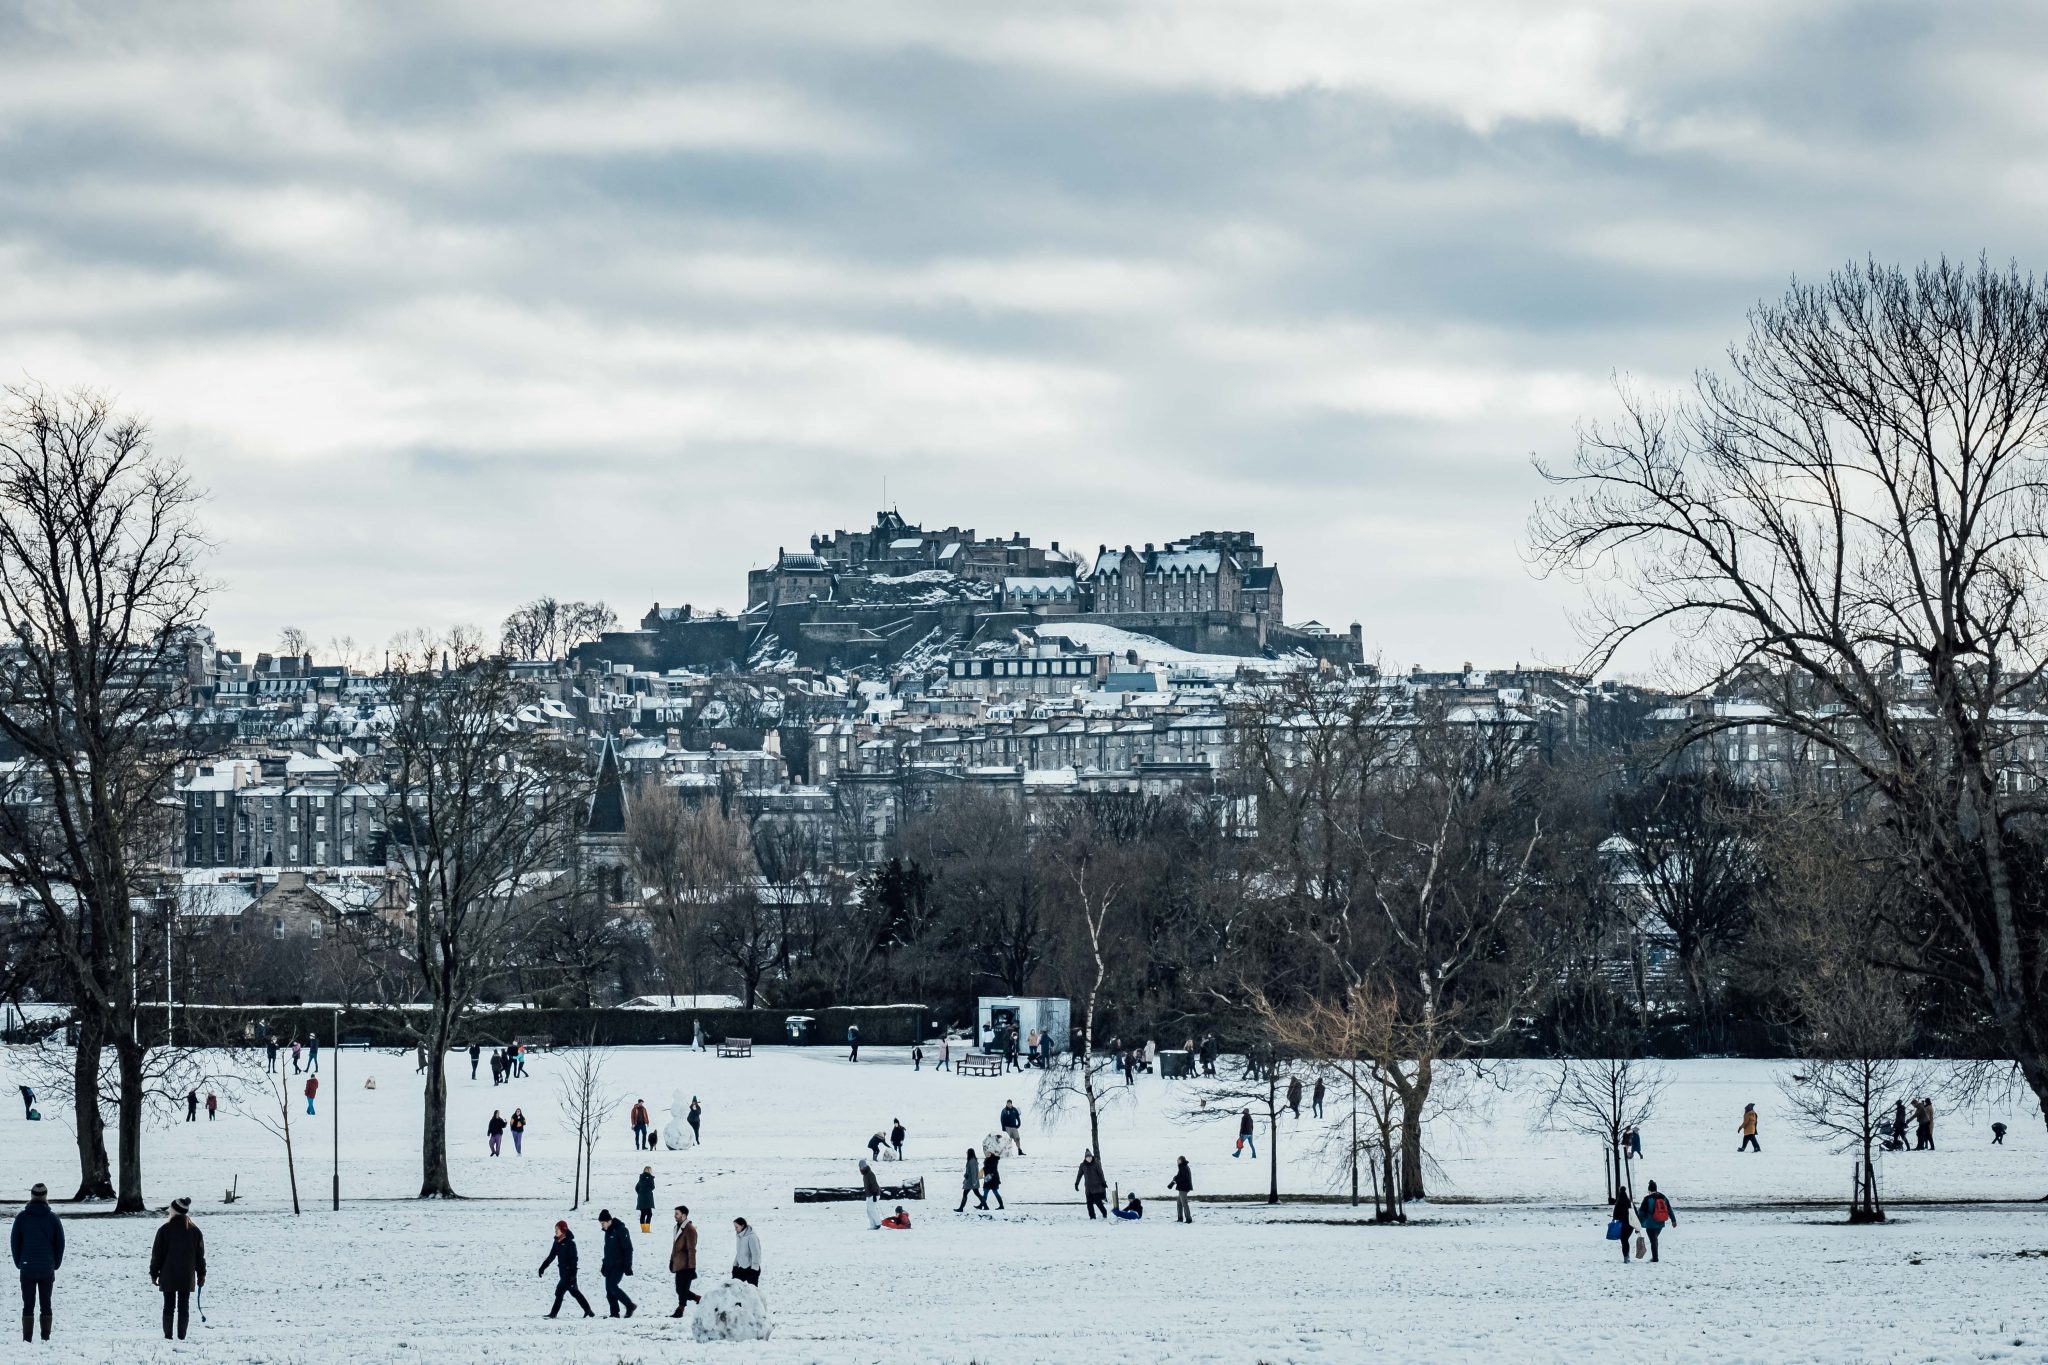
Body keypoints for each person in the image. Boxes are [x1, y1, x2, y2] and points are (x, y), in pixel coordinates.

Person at [10, 1181, 62, 1343]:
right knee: (46, 1303)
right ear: (46, 1196)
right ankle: (45, 1336)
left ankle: (27, 1338)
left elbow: (15, 1242)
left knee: (28, 1304)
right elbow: (60, 1243)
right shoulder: (53, 1218)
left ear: (31, 1196)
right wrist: (56, 1263)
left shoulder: (22, 1218)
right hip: (47, 1267)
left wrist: (19, 1262)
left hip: (27, 1267)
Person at [149, 1197, 205, 1341]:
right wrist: (201, 1274)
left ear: (173, 1211)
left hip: (168, 1275)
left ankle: (168, 1337)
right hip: (187, 1276)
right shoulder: (195, 1232)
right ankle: (182, 1337)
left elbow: (157, 1255)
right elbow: (200, 1256)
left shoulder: (164, 1230)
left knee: (168, 1306)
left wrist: (154, 1273)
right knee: (183, 1307)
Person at [538, 1221, 595, 1318]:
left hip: (569, 1274)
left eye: (557, 1229)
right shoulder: (557, 1243)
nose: (555, 1231)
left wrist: (573, 1274)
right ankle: (588, 1310)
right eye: (555, 1229)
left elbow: (574, 1260)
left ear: (563, 1230)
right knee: (575, 1292)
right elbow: (551, 1256)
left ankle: (553, 1313)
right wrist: (542, 1267)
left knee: (559, 1292)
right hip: (563, 1273)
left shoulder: (570, 1243)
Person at [596, 1210, 635, 1317]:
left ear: (609, 1221)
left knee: (613, 1286)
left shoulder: (621, 1230)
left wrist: (628, 1265)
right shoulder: (608, 1232)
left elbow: (628, 1249)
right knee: (609, 1291)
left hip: (619, 1265)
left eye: (603, 1223)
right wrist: (604, 1264)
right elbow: (607, 1250)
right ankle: (614, 1313)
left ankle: (630, 1305)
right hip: (609, 1265)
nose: (602, 1226)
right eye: (601, 1223)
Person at [668, 1206, 701, 1318]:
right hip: (678, 1265)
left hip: (687, 1265)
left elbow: (692, 1249)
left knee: (683, 1290)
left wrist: (692, 1267)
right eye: (675, 1213)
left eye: (677, 1214)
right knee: (679, 1290)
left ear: (684, 1215)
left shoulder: (690, 1229)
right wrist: (671, 1260)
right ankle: (699, 1299)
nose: (675, 1216)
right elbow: (675, 1247)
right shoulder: (676, 1228)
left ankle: (680, 1310)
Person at [1637, 1181, 1676, 1263]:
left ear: (1649, 1190)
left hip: (1650, 1223)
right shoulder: (1663, 1197)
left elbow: (1641, 1213)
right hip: (1660, 1222)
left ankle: (1655, 1258)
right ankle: (1655, 1257)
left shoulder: (1647, 1199)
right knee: (1654, 1238)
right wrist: (1673, 1220)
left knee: (1653, 1240)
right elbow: (1669, 1209)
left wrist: (1638, 1225)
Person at [1075, 1150, 1108, 1219]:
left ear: (1092, 1157)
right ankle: (1092, 1217)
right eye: (1087, 1157)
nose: (1089, 1158)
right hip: (1088, 1188)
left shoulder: (1096, 1164)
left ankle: (1104, 1212)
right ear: (1085, 1158)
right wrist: (1076, 1183)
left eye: (1090, 1157)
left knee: (1098, 1202)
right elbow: (1079, 1175)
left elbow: (1101, 1174)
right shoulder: (1082, 1165)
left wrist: (1103, 1182)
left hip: (1096, 1187)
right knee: (1089, 1204)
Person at [1610, 1186, 1637, 1263]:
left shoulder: (1618, 1203)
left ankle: (1626, 1256)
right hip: (1630, 1225)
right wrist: (1637, 1227)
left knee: (1624, 1240)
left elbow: (1615, 1215)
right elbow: (1636, 1214)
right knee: (1626, 1240)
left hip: (1621, 1225)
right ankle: (1627, 1256)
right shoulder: (1630, 1203)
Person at [731, 1218, 761, 1285]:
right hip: (742, 1268)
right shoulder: (739, 1236)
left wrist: (754, 1270)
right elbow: (739, 1252)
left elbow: (756, 1254)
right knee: (734, 1287)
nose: (735, 1229)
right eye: (734, 1227)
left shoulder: (751, 1237)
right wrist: (735, 1265)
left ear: (742, 1226)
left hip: (752, 1269)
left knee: (752, 1292)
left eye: (736, 1227)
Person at [956, 1148, 983, 1212]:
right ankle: (985, 1205)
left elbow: (973, 1172)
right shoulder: (972, 1160)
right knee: (977, 1193)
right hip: (971, 1181)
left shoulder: (972, 1161)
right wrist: (966, 1175)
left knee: (965, 1193)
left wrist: (974, 1182)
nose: (966, 1153)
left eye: (967, 1152)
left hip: (971, 1182)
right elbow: (969, 1171)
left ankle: (961, 1208)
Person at [1171, 1157, 1194, 1223]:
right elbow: (1180, 1175)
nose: (1177, 1161)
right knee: (1179, 1203)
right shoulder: (1182, 1167)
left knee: (1184, 1203)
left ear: (1181, 1161)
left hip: (1184, 1188)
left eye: (1178, 1160)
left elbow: (1184, 1178)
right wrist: (1175, 1178)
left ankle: (1188, 1219)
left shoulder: (1184, 1167)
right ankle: (1180, 1218)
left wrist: (1176, 1181)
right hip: (1182, 1187)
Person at [636, 1167, 656, 1233]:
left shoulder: (641, 1178)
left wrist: (640, 1194)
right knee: (649, 1214)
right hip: (648, 1199)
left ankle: (643, 1229)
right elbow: (653, 1187)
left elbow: (636, 1188)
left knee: (643, 1214)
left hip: (641, 1199)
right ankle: (646, 1229)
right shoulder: (650, 1178)